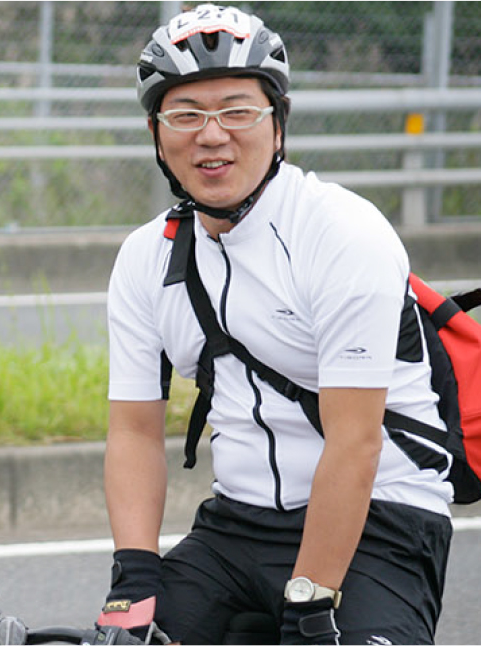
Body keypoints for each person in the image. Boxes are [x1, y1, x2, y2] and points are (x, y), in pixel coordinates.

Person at [97, 4, 454, 645]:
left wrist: (311, 603)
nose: (211, 135)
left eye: (237, 111)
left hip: (381, 523)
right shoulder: (145, 257)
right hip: (237, 526)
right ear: (156, 132)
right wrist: (134, 578)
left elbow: (356, 443)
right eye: (185, 115)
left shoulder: (342, 233)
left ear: (278, 125)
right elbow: (133, 432)